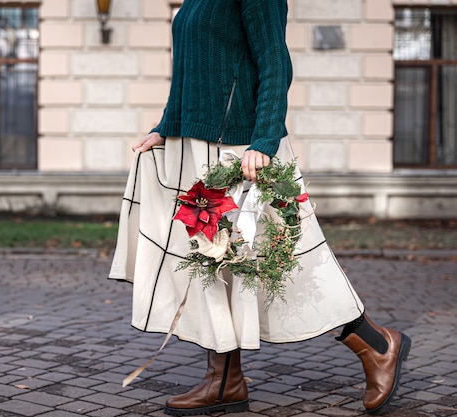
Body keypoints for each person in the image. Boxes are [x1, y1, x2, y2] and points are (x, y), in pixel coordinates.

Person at [109, 0, 411, 415]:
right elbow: (191, 72)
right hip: (196, 148)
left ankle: (378, 345)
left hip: (243, 152)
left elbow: (275, 64)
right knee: (215, 267)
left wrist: (265, 141)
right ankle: (225, 380)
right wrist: (166, 126)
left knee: (290, 263)